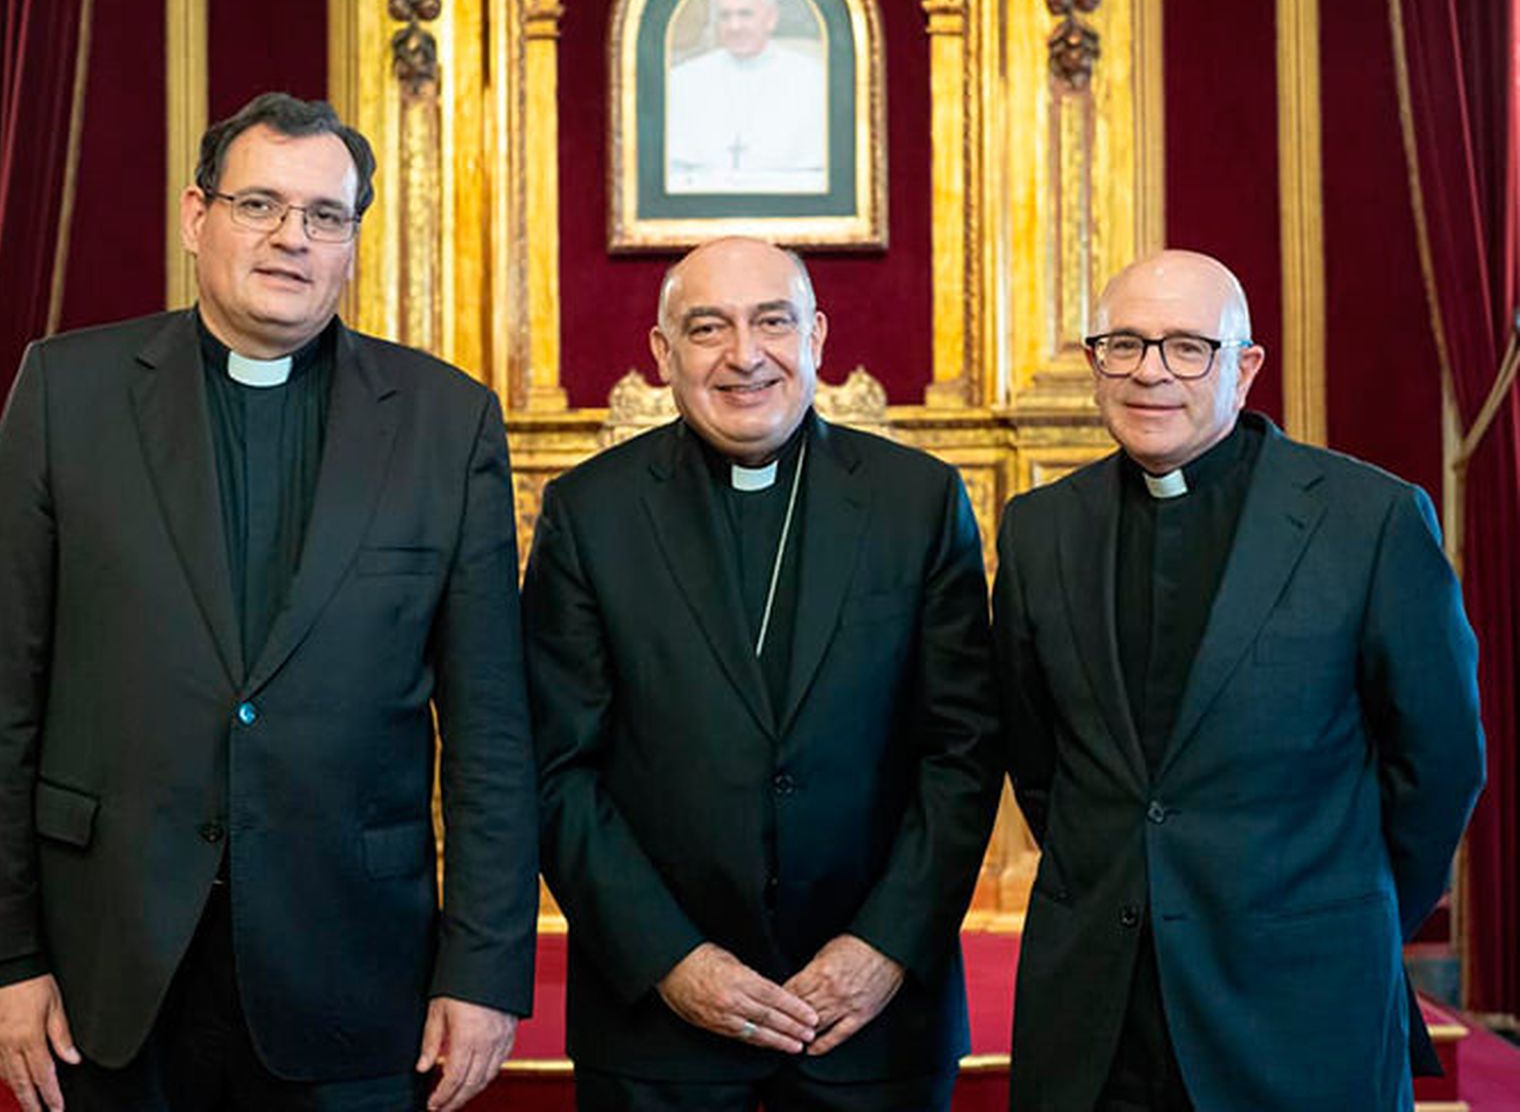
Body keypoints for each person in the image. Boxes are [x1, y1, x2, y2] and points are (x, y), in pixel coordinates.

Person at [0, 92, 538, 1112]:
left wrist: (482, 970)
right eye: (259, 203)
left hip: (353, 969)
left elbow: (490, 729)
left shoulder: (445, 422)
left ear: (352, 240)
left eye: (324, 215)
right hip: (108, 968)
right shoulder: (64, 395)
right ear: (194, 216)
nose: (291, 238)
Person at [992, 249, 1486, 1111]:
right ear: (1092, 364)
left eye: (1189, 347)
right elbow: (1041, 763)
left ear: (1244, 367)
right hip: (1100, 1013)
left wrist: (1346, 910)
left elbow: (1439, 764)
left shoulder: (1367, 521)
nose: (1152, 373)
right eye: (1125, 346)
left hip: (1300, 1004)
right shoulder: (1040, 531)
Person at [525, 236, 999, 1110]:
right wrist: (673, 960)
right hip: (661, 1039)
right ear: (664, 356)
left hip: (873, 1027)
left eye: (772, 322)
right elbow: (556, 770)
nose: (745, 355)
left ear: (815, 335)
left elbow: (963, 751)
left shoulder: (918, 501)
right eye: (708, 328)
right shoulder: (590, 514)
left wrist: (883, 948)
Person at [666, 0, 828, 193]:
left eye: (745, 14)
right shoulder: (682, 80)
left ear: (771, 18)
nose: (735, 26)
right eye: (725, 16)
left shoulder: (813, 79)